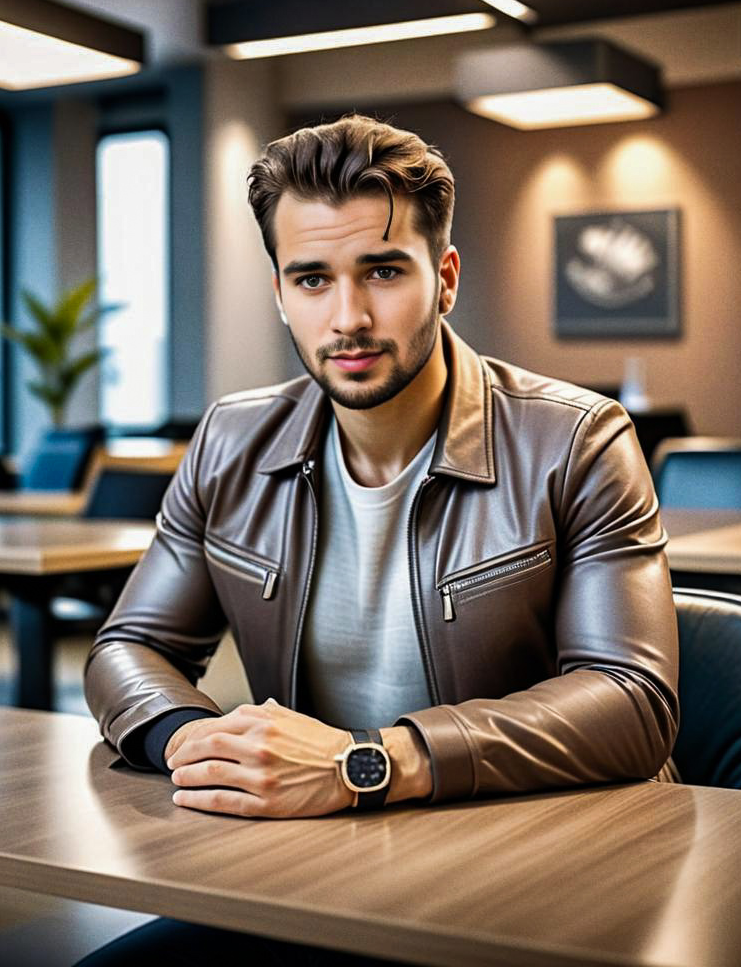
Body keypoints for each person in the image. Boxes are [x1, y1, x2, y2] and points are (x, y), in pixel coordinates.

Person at [79, 114, 678, 964]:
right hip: (313, 868)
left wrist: (370, 764)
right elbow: (130, 646)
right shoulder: (230, 441)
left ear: (445, 278)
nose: (349, 317)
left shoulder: (577, 439)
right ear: (281, 293)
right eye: (312, 279)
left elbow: (630, 700)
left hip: (542, 870)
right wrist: (193, 742)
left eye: (383, 272)